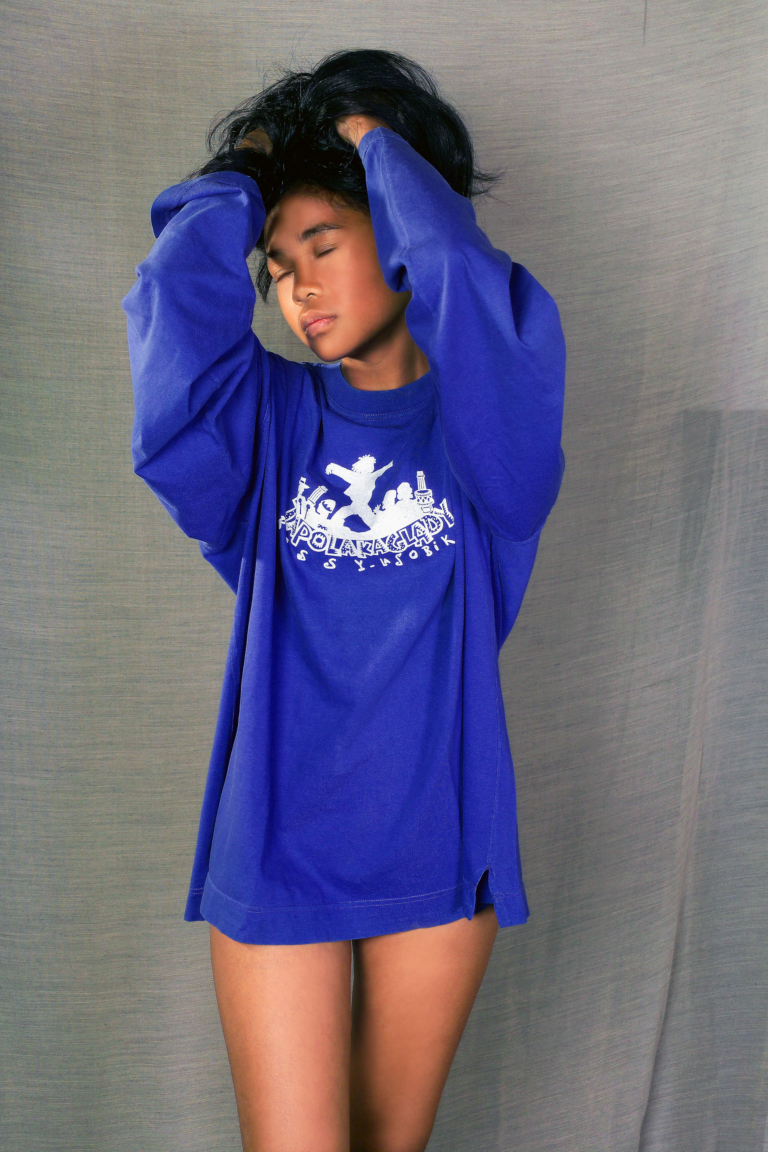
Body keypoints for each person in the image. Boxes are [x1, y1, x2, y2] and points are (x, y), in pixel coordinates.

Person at [122, 48, 565, 1152]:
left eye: (323, 245)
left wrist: (369, 136)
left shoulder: (488, 434)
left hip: (440, 835)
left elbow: (465, 282)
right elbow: (172, 318)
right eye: (277, 266)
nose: (297, 288)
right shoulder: (261, 422)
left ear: (399, 230)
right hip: (277, 837)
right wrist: (245, 170)